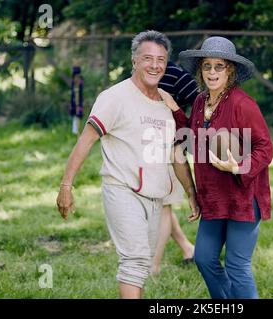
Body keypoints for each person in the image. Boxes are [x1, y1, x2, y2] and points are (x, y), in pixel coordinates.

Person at [56, 30, 199, 299]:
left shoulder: (166, 104)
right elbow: (85, 141)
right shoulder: (114, 97)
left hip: (156, 196)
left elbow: (176, 155)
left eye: (161, 59)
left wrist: (191, 193)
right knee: (134, 260)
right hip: (122, 190)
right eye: (147, 58)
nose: (154, 65)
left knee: (142, 264)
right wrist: (66, 185)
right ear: (134, 60)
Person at [159, 36, 273, 299]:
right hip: (213, 196)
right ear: (200, 70)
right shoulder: (200, 102)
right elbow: (192, 137)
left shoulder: (243, 105)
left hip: (243, 197)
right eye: (207, 66)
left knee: (237, 266)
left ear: (230, 70)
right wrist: (176, 108)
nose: (212, 72)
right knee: (203, 258)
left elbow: (265, 148)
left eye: (219, 66)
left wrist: (238, 167)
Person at [151, 61, 199, 274]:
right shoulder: (140, 71)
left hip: (171, 146)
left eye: (159, 56)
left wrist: (180, 121)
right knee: (160, 202)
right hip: (147, 146)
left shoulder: (176, 74)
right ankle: (188, 248)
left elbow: (200, 103)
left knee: (162, 205)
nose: (153, 61)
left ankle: (154, 266)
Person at [70, 66, 84, 135]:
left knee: (78, 115)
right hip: (74, 102)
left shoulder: (80, 81)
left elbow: (80, 93)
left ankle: (78, 131)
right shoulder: (74, 82)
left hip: (78, 102)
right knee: (75, 116)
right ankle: (76, 131)